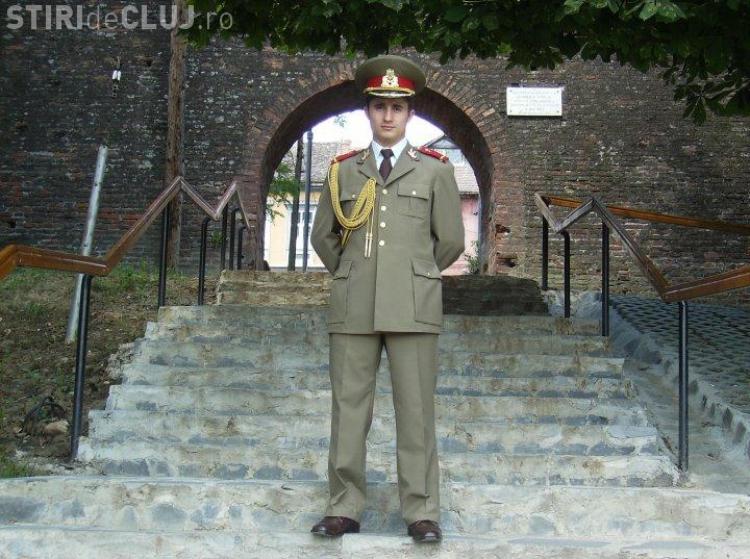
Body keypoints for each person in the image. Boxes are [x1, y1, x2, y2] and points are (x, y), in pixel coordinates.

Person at [309, 54, 465, 544]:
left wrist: (414, 274)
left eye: (397, 107)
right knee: (348, 410)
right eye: (380, 106)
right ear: (368, 111)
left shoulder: (435, 171)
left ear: (410, 113)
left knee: (416, 412)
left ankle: (421, 511)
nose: (388, 115)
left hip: (414, 306)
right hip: (354, 303)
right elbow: (323, 236)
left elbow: (450, 240)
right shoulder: (343, 171)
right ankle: (342, 508)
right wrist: (352, 273)